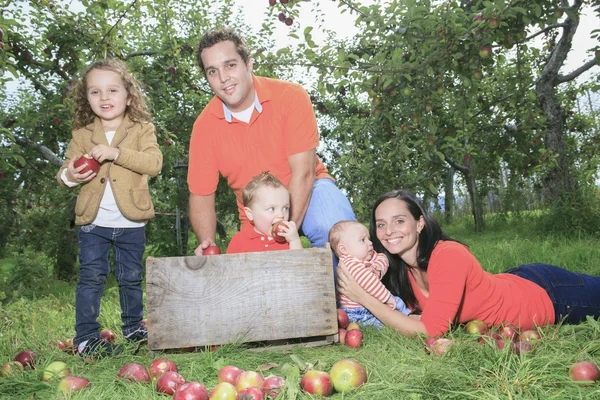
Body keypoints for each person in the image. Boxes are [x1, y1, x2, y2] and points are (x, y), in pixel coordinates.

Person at [336, 189, 600, 337]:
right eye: (381, 224)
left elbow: (430, 330)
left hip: (549, 296)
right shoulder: (399, 270)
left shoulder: (448, 255)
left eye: (399, 221)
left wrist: (364, 297)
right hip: (510, 281)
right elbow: (409, 316)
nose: (389, 230)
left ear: (419, 223)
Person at [187, 28, 355, 257]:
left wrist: (281, 237)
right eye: (212, 71)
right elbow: (201, 194)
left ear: (248, 63)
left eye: (230, 65)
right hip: (257, 210)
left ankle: (352, 292)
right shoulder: (204, 127)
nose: (223, 78)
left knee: (337, 232)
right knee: (252, 273)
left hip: (311, 188)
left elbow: (304, 174)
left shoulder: (291, 96)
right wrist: (208, 245)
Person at [56, 59, 162, 358]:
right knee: (92, 276)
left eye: (112, 90)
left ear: (129, 96)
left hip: (132, 221)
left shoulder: (142, 129)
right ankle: (87, 337)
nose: (104, 98)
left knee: (130, 277)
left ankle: (133, 328)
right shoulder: (82, 134)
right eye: (95, 92)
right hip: (93, 223)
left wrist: (116, 153)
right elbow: (64, 173)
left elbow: (154, 163)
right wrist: (71, 175)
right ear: (85, 98)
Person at [329, 220, 411, 327]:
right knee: (392, 306)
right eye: (362, 240)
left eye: (369, 239)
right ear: (344, 249)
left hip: (366, 305)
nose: (370, 243)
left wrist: (378, 267)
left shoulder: (362, 257)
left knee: (397, 302)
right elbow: (370, 282)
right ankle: (405, 320)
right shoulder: (349, 264)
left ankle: (406, 318)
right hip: (358, 312)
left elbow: (382, 257)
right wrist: (386, 298)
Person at [227, 172, 302, 253]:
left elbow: (301, 264)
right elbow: (228, 265)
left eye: (285, 208)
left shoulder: (288, 240)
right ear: (250, 214)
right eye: (271, 209)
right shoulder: (239, 241)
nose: (281, 215)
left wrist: (294, 241)